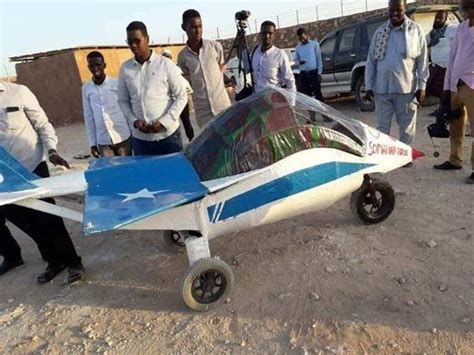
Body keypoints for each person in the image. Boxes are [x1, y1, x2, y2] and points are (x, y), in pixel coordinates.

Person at [0, 80, 85, 283]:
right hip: (4, 175)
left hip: (31, 165)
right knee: (24, 220)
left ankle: (72, 262)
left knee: (48, 217)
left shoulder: (19, 92)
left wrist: (52, 150)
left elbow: (42, 124)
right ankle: (53, 261)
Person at [365, 0, 429, 152]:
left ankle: (405, 154)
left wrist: (422, 86)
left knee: (407, 126)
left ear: (404, 9)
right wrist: (368, 86)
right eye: (392, 10)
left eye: (399, 10)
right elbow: (371, 61)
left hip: (406, 89)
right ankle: (384, 156)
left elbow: (422, 61)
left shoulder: (415, 31)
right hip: (382, 89)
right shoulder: (380, 32)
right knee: (381, 127)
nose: (395, 14)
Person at [118, 21, 188, 156]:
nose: (133, 45)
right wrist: (134, 121)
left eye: (137, 41)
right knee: (146, 176)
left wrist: (163, 122)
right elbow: (123, 101)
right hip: (141, 140)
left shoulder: (165, 65)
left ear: (147, 39)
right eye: (130, 42)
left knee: (174, 175)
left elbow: (181, 96)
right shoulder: (125, 69)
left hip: (168, 136)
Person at [433, 0, 474, 185]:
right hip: (456, 85)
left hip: (472, 85)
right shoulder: (461, 28)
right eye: (464, 7)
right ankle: (455, 160)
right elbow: (452, 56)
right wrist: (446, 88)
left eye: (468, 7)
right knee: (456, 126)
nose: (465, 11)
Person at [177, 9, 231, 128]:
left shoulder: (215, 47)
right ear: (183, 27)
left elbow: (220, 70)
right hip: (203, 113)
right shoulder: (183, 57)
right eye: (193, 27)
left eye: (200, 26)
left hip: (223, 106)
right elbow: (187, 83)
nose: (197, 31)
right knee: (212, 145)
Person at [82, 51, 132, 157]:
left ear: (104, 65)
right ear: (88, 67)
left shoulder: (116, 84)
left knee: (126, 169)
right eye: (92, 66)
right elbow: (89, 117)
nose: (95, 68)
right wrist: (92, 144)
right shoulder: (86, 88)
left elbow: (127, 108)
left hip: (122, 136)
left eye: (98, 65)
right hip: (103, 141)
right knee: (110, 171)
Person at [251, 21, 296, 94]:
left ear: (274, 35)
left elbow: (289, 79)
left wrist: (292, 102)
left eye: (270, 33)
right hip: (257, 100)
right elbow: (247, 70)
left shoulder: (280, 55)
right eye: (264, 33)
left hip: (274, 99)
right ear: (260, 34)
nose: (267, 36)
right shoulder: (255, 53)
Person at [161, 49, 194, 141]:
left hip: (180, 99)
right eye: (165, 56)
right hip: (170, 101)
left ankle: (191, 139)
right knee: (172, 124)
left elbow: (184, 82)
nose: (166, 59)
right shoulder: (161, 70)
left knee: (186, 121)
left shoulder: (176, 68)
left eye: (168, 57)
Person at [426, 11, 458, 105]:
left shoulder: (451, 29)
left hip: (448, 70)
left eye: (441, 18)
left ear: (445, 19)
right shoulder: (432, 33)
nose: (438, 20)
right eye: (436, 18)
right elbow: (422, 43)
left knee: (448, 94)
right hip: (436, 69)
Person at [294, 28, 324, 102]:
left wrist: (319, 73)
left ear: (307, 35)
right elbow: (296, 61)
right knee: (307, 95)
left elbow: (319, 59)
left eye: (303, 38)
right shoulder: (298, 48)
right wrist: (299, 62)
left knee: (318, 93)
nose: (302, 40)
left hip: (314, 73)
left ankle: (324, 112)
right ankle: (311, 113)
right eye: (300, 39)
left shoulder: (314, 44)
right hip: (304, 74)